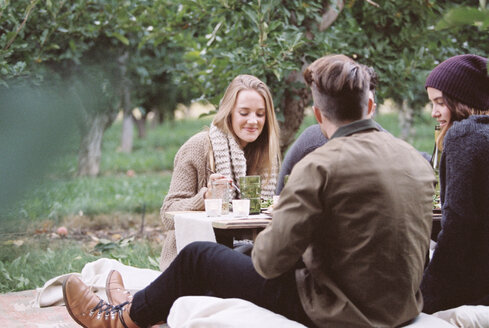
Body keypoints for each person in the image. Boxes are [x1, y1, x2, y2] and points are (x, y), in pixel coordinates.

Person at [61, 54, 435, 328]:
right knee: (236, 252)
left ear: (319, 116)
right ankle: (150, 304)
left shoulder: (320, 165)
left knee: (197, 258)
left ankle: (116, 321)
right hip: (400, 307)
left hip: (335, 308)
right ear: (370, 105)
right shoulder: (417, 160)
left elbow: (269, 264)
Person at [159, 74, 280, 270]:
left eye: (260, 114)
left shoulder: (266, 156)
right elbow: (167, 214)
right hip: (195, 256)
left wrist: (277, 204)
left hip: (245, 251)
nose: (253, 121)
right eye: (244, 112)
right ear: (229, 112)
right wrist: (206, 197)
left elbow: (255, 210)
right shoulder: (199, 147)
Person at [275, 65, 431, 194]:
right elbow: (281, 195)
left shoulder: (393, 150)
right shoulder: (312, 143)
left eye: (362, 104)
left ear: (371, 107)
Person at [420, 54, 489, 314]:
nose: (434, 112)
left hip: (474, 293)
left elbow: (458, 231)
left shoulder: (465, 135)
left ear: (464, 101)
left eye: (440, 102)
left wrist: (422, 300)